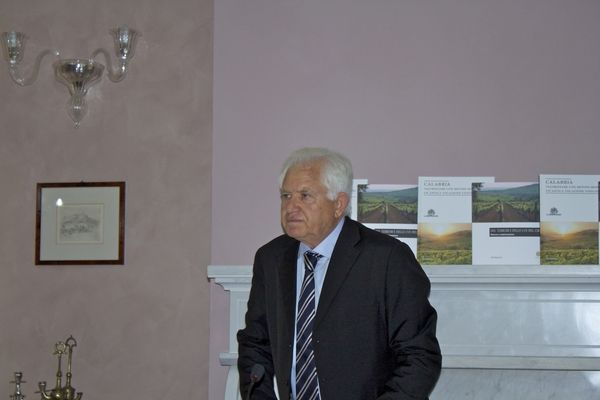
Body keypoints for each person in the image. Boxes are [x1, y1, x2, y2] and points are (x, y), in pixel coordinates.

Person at [237, 147, 442, 400]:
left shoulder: (387, 258)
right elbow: (255, 344)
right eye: (286, 196)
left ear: (339, 204)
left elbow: (419, 356)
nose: (291, 207)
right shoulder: (270, 259)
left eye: (305, 196)